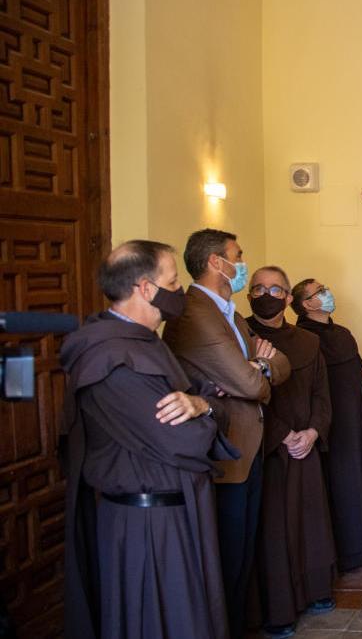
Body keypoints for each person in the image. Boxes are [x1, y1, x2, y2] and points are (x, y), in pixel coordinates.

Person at [62, 240, 237, 639]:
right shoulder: (111, 358)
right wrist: (207, 408)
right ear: (145, 288)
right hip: (147, 523)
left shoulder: (144, 342)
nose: (179, 292)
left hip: (172, 510)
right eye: (172, 282)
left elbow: (199, 395)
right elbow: (185, 440)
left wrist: (201, 403)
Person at [162, 229, 290, 637]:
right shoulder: (194, 313)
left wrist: (260, 367)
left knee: (243, 551)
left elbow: (278, 364)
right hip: (223, 448)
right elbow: (252, 386)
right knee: (227, 554)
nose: (242, 262)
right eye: (238, 255)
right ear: (217, 262)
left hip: (247, 445)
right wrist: (255, 371)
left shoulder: (230, 312)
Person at [246, 267, 337, 637]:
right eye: (258, 288)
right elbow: (247, 393)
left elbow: (320, 392)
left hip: (307, 443)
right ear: (249, 294)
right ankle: (280, 609)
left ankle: (316, 591)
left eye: (275, 288)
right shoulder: (242, 337)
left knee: (311, 520)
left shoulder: (307, 340)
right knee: (275, 527)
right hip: (270, 446)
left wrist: (314, 431)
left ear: (287, 297)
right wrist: (284, 435)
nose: (267, 294)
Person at [292, 278, 362, 572]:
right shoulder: (302, 337)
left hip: (353, 418)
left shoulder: (341, 332)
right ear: (306, 304)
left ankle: (359, 547)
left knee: (353, 477)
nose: (327, 294)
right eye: (320, 292)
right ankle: (340, 553)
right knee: (335, 482)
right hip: (330, 422)